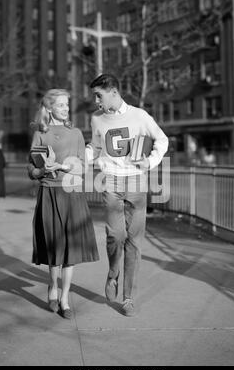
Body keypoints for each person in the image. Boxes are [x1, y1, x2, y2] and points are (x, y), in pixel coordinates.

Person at [86, 74, 169, 317]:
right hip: (110, 180)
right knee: (115, 236)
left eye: (98, 95)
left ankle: (128, 297)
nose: (96, 101)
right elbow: (96, 148)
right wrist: (79, 155)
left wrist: (150, 162)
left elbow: (161, 140)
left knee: (134, 241)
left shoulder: (139, 116)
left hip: (136, 181)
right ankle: (113, 272)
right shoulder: (97, 119)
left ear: (113, 92)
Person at [28, 89, 99, 319]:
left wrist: (63, 167)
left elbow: (83, 168)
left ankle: (65, 298)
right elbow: (30, 170)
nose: (65, 109)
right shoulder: (40, 133)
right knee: (54, 247)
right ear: (49, 108)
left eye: (67, 104)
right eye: (60, 105)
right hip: (49, 194)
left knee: (70, 250)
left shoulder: (76, 133)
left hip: (72, 193)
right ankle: (53, 285)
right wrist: (41, 169)